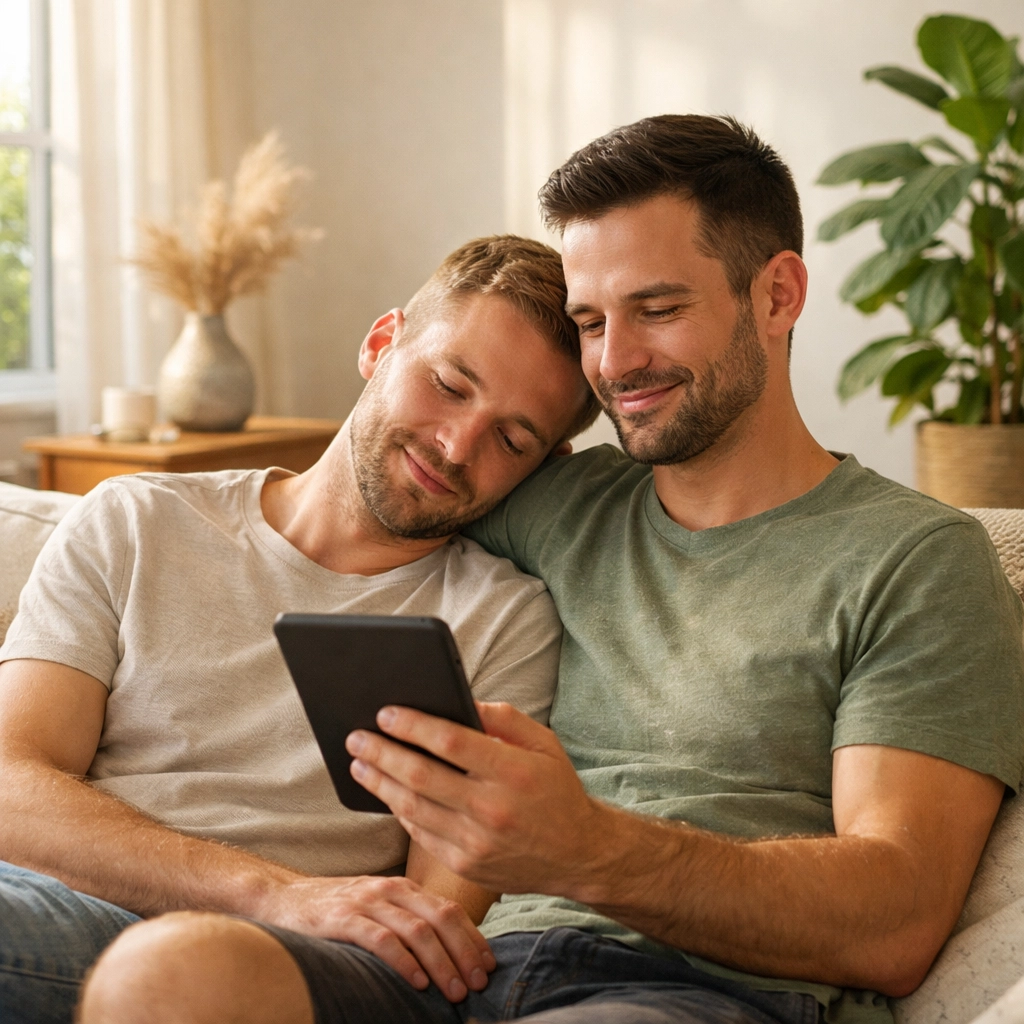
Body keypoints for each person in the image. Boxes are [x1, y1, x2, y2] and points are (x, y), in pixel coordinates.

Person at [78, 116, 1024, 1024]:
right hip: (456, 974)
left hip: (691, 989)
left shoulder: (917, 560)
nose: (617, 362)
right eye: (591, 321)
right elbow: (371, 490)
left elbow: (898, 919)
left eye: (657, 310)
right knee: (170, 974)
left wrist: (590, 850)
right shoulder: (547, 501)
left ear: (777, 294)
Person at [0, 235, 599, 1024]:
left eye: (512, 439)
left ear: (545, 464)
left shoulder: (503, 621)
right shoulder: (137, 520)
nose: (457, 446)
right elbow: (12, 783)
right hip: (64, 899)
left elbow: (436, 917)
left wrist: (286, 922)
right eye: (450, 385)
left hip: (274, 971)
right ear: (381, 344)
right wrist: (272, 892)